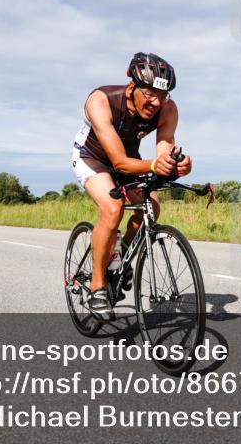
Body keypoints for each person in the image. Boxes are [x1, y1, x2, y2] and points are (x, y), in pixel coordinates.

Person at [71, 52, 192, 318]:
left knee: (152, 207)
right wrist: (154, 165)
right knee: (113, 208)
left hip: (129, 160)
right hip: (93, 158)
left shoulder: (168, 109)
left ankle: (121, 257)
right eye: (149, 94)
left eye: (162, 95)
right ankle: (97, 286)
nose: (156, 102)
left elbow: (164, 151)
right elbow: (118, 161)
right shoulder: (101, 101)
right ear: (131, 87)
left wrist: (177, 165)